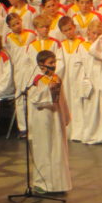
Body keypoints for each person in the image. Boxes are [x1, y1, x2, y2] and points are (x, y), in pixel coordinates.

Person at [28, 50, 72, 193]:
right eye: (50, 63)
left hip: (56, 116)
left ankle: (59, 184)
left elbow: (62, 98)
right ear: (41, 65)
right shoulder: (36, 80)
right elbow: (34, 99)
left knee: (57, 148)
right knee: (44, 148)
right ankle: (42, 183)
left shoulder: (57, 78)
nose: (54, 65)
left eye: (54, 62)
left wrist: (65, 115)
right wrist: (48, 89)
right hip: (43, 117)